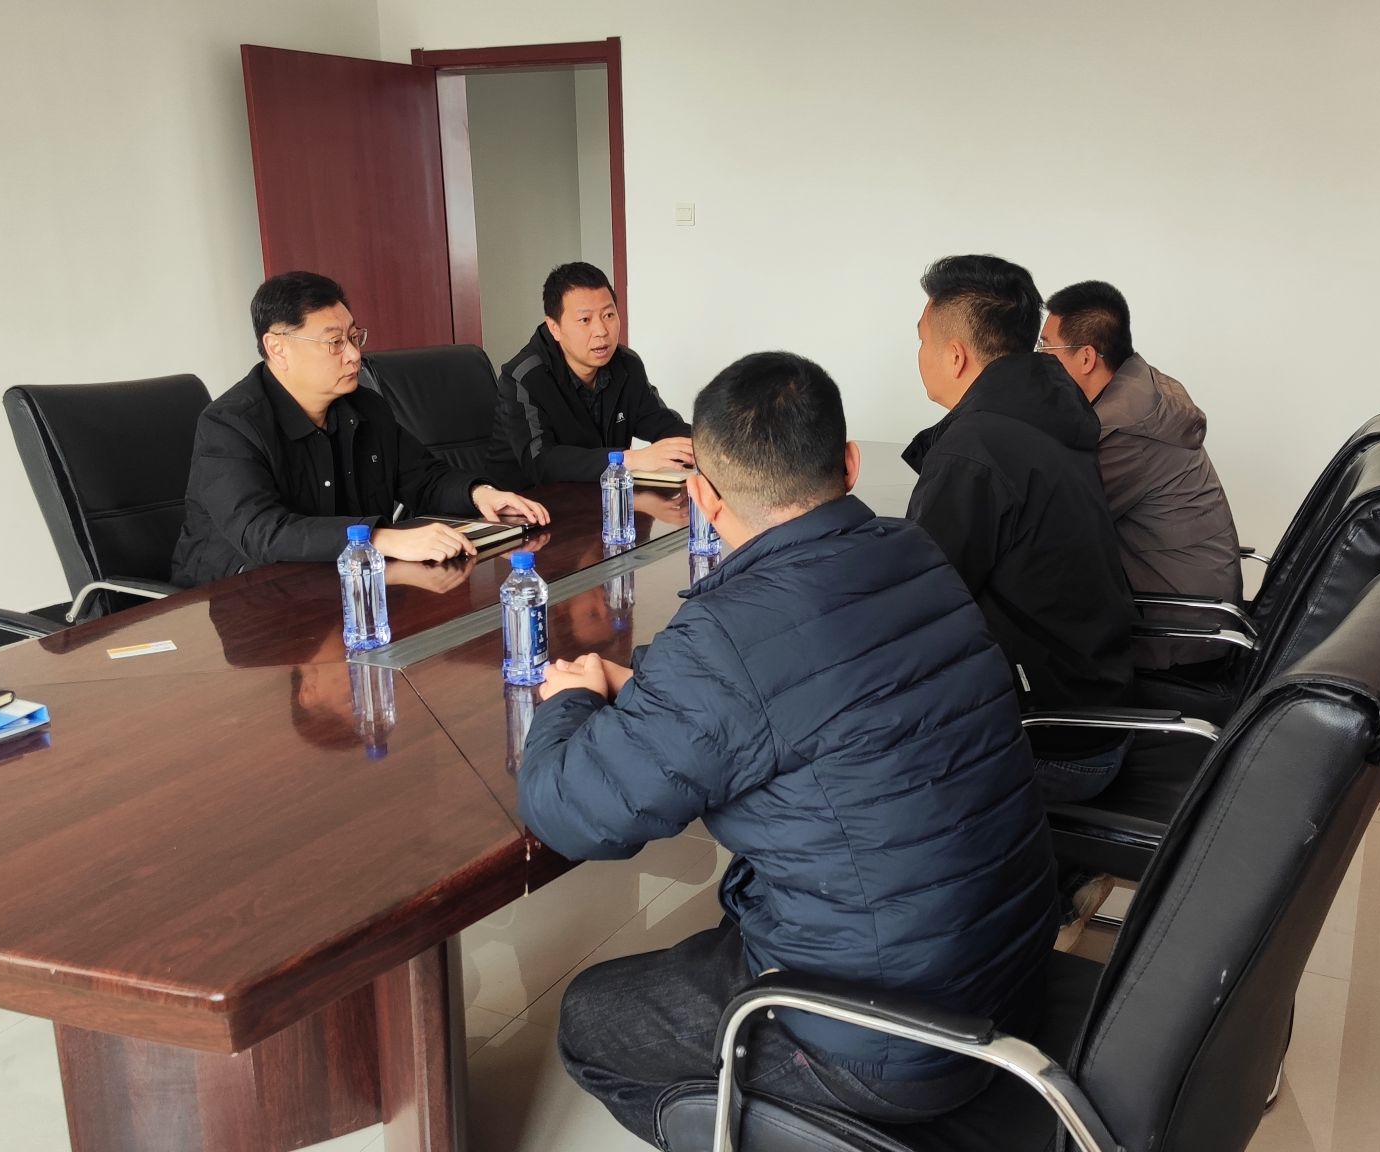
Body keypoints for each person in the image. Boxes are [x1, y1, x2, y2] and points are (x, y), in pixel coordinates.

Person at [518, 352, 1056, 1146]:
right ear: (850, 463)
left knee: (590, 1019)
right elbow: (799, 685)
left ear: (702, 497)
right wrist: (652, 689)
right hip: (1006, 974)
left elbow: (571, 811)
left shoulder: (726, 635)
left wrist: (566, 702)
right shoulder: (915, 553)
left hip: (892, 1040)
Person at [905, 254, 1140, 803]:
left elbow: (915, 610)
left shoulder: (977, 449)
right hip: (1095, 713)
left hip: (1046, 742)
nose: (917, 354)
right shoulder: (1048, 413)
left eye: (921, 340)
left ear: (956, 355)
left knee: (834, 751)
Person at [171, 272, 547, 587]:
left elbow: (423, 478)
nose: (353, 355)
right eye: (335, 343)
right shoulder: (230, 425)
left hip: (343, 585)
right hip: (242, 600)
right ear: (277, 348)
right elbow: (264, 533)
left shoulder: (364, 407)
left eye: (354, 337)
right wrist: (380, 539)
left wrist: (480, 494)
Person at [1042, 281, 1242, 668]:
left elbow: (1058, 524)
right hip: (1193, 609)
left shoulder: (1125, 430)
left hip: (1178, 636)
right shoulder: (1137, 386)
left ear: (1086, 358)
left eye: (1046, 348)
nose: (1039, 361)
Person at [487, 262, 694, 486]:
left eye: (608, 315)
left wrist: (706, 446)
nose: (601, 331)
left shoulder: (627, 364)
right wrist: (630, 459)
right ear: (554, 327)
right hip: (528, 500)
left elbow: (662, 424)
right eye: (585, 320)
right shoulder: (524, 377)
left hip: (600, 495)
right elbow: (542, 462)